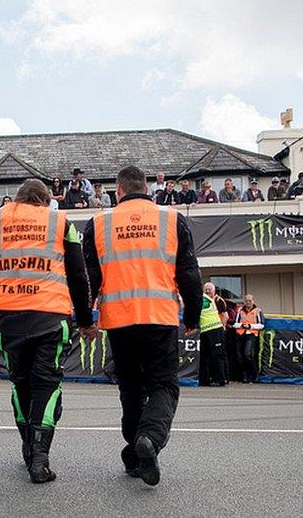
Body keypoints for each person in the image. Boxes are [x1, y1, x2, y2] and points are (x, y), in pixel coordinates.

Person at [83, 165, 202, 487]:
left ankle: (136, 455)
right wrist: (192, 316)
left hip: (119, 320)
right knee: (164, 385)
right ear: (147, 189)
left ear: (117, 191)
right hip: (160, 317)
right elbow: (190, 273)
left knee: (131, 389)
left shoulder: (99, 223)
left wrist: (84, 319)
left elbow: (89, 280)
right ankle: (149, 439)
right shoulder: (171, 219)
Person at [0, 179, 94, 484]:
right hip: (50, 314)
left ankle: (26, 448)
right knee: (47, 385)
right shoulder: (60, 222)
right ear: (47, 201)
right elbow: (77, 274)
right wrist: (86, 321)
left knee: (20, 383)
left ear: (19, 198)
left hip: (8, 315)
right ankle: (40, 459)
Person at [198, 283, 228, 387]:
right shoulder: (202, 298)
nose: (207, 291)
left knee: (217, 355)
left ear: (214, 290)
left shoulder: (218, 300)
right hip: (205, 331)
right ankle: (205, 380)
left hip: (215, 330)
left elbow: (225, 316)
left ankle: (221, 379)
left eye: (209, 289)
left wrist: (223, 327)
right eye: (206, 289)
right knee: (204, 356)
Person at [233, 294, 264, 384]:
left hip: (251, 334)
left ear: (253, 301)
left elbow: (261, 325)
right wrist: (242, 325)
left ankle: (254, 374)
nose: (248, 303)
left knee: (247, 354)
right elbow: (235, 324)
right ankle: (245, 375)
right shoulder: (239, 310)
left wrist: (250, 326)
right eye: (246, 301)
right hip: (240, 334)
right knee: (240, 357)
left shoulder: (258, 311)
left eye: (250, 301)